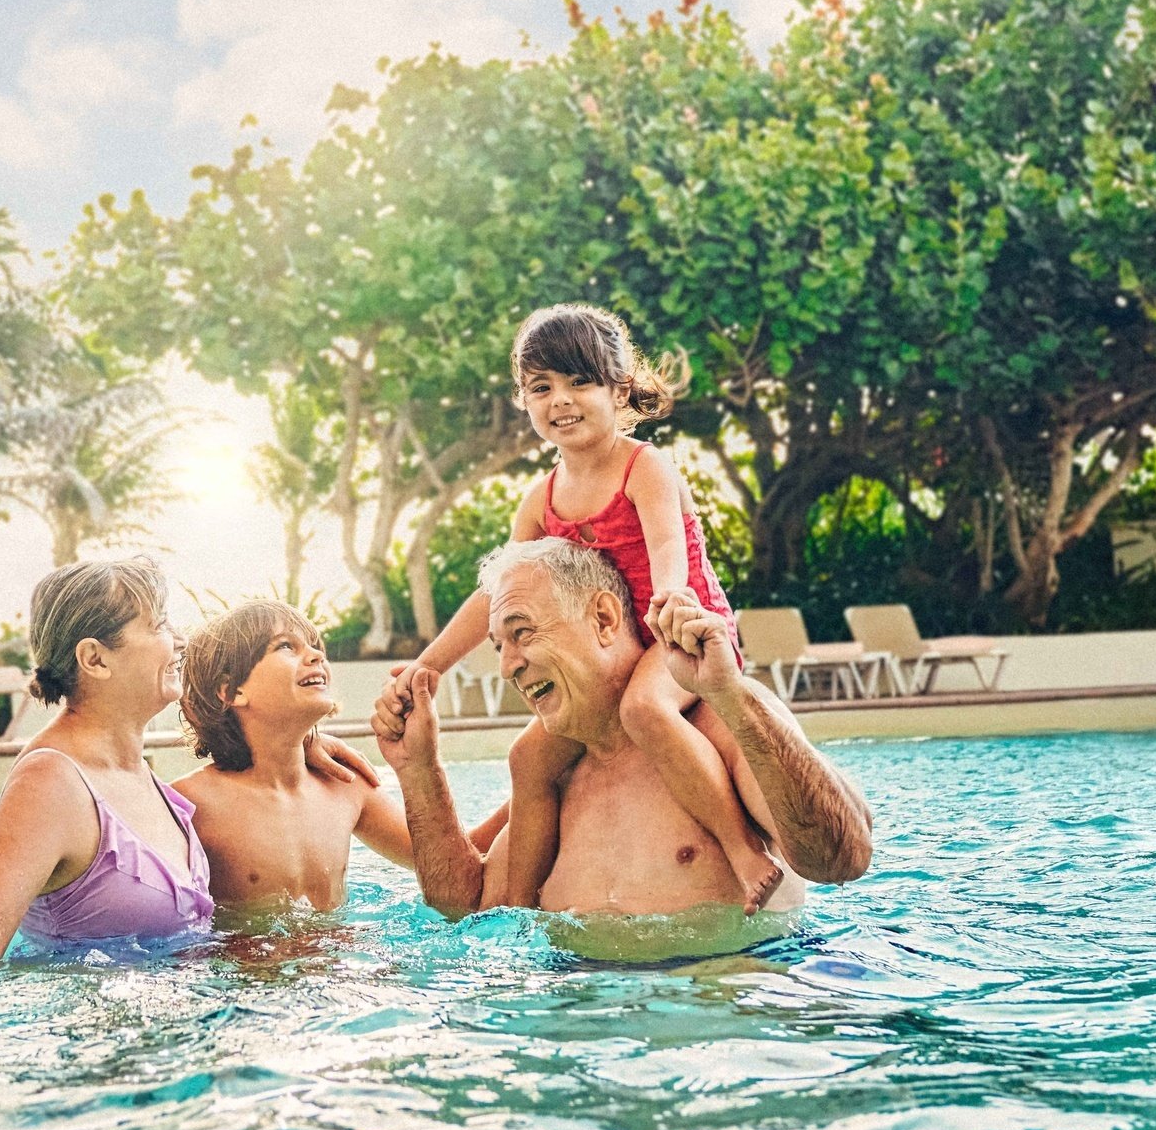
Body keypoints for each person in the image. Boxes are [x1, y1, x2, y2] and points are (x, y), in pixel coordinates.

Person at [411, 304, 780, 912]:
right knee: (528, 757)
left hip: (676, 636)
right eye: (542, 387)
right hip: (611, 651)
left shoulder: (645, 466)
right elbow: (496, 593)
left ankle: (741, 848)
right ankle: (515, 908)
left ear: (618, 388)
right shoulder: (542, 496)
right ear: (523, 401)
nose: (561, 399)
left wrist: (672, 600)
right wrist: (428, 664)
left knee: (644, 709)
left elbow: (667, 544)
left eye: (579, 382)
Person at [374, 539, 873, 925]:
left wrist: (733, 698)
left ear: (604, 618)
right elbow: (472, 912)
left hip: (725, 1021)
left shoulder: (719, 722)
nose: (507, 667)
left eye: (523, 633)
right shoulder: (549, 774)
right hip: (577, 1018)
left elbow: (842, 859)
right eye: (498, 646)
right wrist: (419, 771)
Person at [0, 557, 214, 981]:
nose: (180, 641)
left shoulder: (146, 781)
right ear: (94, 659)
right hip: (97, 1040)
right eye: (159, 626)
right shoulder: (52, 779)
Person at [173, 599, 415, 917]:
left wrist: (420, 766)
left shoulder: (344, 785)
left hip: (343, 964)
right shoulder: (188, 805)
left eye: (314, 645)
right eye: (286, 646)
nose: (317, 655)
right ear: (231, 691)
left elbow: (448, 863)